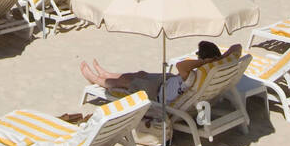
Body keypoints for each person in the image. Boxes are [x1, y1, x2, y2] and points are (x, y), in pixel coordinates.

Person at [80, 41, 240, 104]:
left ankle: (96, 79)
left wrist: (204, 62)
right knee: (139, 73)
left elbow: (180, 66)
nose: (196, 57)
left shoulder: (193, 75)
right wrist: (218, 59)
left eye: (198, 55)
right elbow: (237, 47)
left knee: (127, 83)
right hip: (167, 82)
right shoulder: (210, 71)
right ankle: (106, 73)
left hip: (158, 93)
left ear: (203, 58)